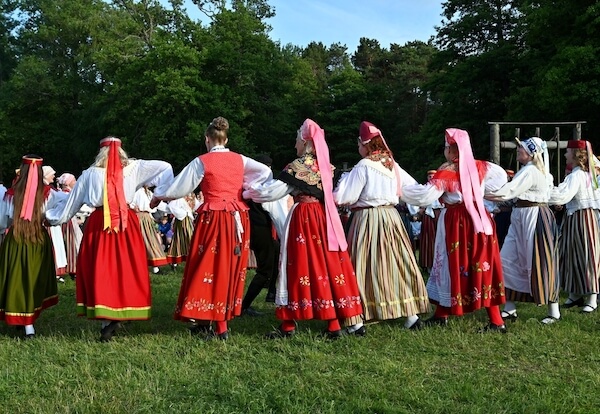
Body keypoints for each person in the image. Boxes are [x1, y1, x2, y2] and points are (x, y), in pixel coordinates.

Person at [152, 117, 271, 340]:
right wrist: (246, 192)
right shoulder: (241, 160)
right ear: (226, 139)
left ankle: (216, 325)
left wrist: (159, 196)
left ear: (207, 139)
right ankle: (212, 321)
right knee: (228, 268)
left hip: (214, 218)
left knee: (207, 266)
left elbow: (179, 187)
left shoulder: (203, 161)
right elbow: (264, 172)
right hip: (237, 218)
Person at [244, 118, 364, 339]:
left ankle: (289, 325)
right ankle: (333, 324)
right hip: (323, 218)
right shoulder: (326, 165)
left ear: (305, 141)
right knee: (324, 265)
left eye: (296, 140)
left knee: (296, 265)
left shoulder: (300, 166)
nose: (294, 145)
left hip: (304, 218)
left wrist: (248, 191)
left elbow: (273, 192)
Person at [45, 137, 173, 341]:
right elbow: (164, 167)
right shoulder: (133, 169)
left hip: (100, 223)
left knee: (102, 268)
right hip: (125, 223)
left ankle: (107, 319)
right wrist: (161, 194)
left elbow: (72, 204)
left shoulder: (89, 174)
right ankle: (122, 310)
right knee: (125, 267)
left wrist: (49, 218)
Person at [402, 128, 508, 332]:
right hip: (480, 219)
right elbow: (501, 178)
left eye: (446, 147)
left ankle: (495, 321)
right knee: (481, 264)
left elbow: (425, 196)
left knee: (451, 265)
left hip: (458, 222)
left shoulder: (448, 171)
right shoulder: (482, 167)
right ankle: (445, 314)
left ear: (452, 151)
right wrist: (479, 193)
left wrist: (400, 190)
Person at [333, 121, 429, 330]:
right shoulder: (391, 164)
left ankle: (356, 320)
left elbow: (345, 196)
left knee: (363, 265)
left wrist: (339, 184)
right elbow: (412, 188)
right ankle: (411, 315)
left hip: (368, 219)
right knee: (396, 264)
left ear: (364, 144)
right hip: (392, 218)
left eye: (359, 144)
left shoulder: (364, 165)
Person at [486, 138, 560, 324]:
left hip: (534, 216)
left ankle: (554, 312)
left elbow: (508, 191)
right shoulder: (527, 170)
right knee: (507, 259)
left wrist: (480, 194)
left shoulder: (531, 171)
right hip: (520, 215)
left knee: (540, 260)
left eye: (522, 148)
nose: (518, 149)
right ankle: (510, 308)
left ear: (531, 153)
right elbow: (511, 195)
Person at [0, 155, 59, 339]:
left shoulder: (11, 193)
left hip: (16, 239)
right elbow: (53, 217)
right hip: (37, 239)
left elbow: (4, 220)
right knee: (32, 278)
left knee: (17, 278)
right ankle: (28, 325)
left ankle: (23, 322)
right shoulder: (49, 193)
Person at [548, 140, 600, 313]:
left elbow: (563, 195)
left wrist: (545, 192)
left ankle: (592, 297)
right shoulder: (585, 173)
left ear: (577, 155)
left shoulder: (578, 175)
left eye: (568, 152)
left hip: (583, 217)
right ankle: (575, 294)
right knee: (571, 253)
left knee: (588, 254)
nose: (565, 155)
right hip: (574, 216)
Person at [240, 154, 282, 317]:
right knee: (266, 269)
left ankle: (271, 292)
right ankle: (244, 305)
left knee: (275, 254)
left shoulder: (243, 183)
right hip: (259, 228)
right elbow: (274, 210)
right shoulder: (263, 186)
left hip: (247, 226)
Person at [130, 186, 168, 274]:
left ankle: (154, 267)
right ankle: (142, 266)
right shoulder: (137, 191)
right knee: (145, 241)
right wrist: (133, 208)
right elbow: (130, 202)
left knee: (151, 241)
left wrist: (172, 208)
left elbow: (159, 204)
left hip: (147, 218)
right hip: (140, 218)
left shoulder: (148, 193)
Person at [43, 165, 68, 283]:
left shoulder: (46, 189)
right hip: (47, 224)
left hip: (50, 223)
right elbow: (64, 198)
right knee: (52, 247)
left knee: (56, 246)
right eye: (52, 174)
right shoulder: (48, 191)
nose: (54, 176)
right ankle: (52, 271)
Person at [57, 173, 83, 280]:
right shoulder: (67, 194)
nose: (75, 182)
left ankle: (71, 267)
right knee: (72, 243)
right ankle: (73, 268)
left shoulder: (65, 193)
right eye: (73, 180)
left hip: (68, 220)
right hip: (68, 220)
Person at [165, 193, 199, 266]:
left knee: (183, 238)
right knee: (187, 237)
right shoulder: (180, 197)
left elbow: (197, 205)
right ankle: (177, 260)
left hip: (188, 220)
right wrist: (183, 214)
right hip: (182, 220)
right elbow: (171, 206)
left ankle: (180, 260)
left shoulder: (192, 196)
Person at [419, 170, 443, 272]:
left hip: (439, 213)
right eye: (429, 177)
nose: (431, 178)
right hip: (428, 215)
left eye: (433, 176)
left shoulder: (441, 188)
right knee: (428, 239)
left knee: (440, 238)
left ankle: (440, 264)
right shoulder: (424, 188)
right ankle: (428, 264)